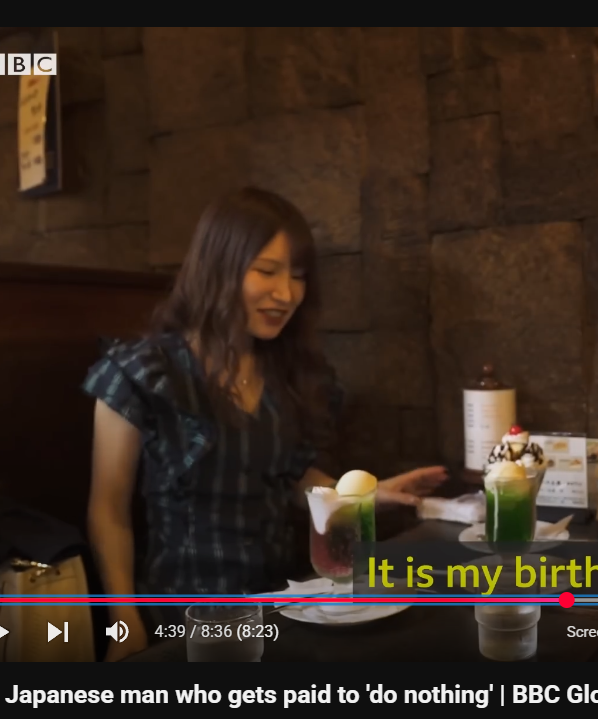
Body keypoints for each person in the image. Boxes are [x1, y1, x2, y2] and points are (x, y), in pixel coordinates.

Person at [83, 187, 447, 661]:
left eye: (297, 276)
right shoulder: (143, 372)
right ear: (218, 267)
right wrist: (123, 620)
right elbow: (107, 512)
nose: (287, 294)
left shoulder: (289, 373)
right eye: (267, 271)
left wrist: (361, 497)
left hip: (286, 604)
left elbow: (291, 479)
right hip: (185, 617)